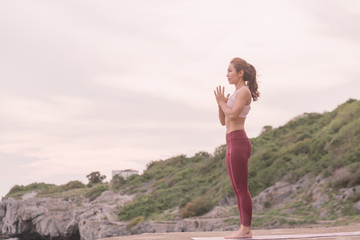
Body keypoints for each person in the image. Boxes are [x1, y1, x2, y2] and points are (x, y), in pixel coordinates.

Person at [214, 57, 260, 239]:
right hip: (230, 141)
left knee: (242, 188)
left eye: (230, 71)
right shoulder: (235, 94)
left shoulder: (243, 91)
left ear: (240, 73)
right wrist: (220, 103)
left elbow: (232, 115)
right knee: (236, 188)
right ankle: (244, 228)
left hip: (239, 141)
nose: (227, 74)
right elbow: (223, 120)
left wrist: (222, 103)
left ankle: (246, 229)